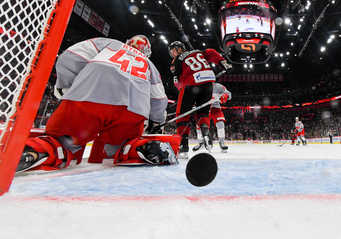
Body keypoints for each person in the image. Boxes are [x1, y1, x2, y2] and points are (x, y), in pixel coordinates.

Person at [16, 35, 176, 173]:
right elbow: (159, 99)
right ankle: (142, 148)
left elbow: (69, 58)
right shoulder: (149, 64)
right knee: (120, 147)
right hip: (131, 111)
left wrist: (67, 85)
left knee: (64, 141)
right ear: (147, 51)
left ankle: (34, 152)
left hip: (90, 98)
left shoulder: (109, 44)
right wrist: (156, 122)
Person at [169, 41, 233, 159]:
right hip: (208, 81)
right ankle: (205, 131)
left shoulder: (176, 60)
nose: (172, 54)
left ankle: (183, 148)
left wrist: (184, 95)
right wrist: (221, 62)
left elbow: (177, 81)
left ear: (179, 49)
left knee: (182, 115)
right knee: (203, 113)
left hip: (190, 83)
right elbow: (210, 52)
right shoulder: (198, 52)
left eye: (173, 51)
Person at [193, 83, 232, 153]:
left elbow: (229, 93)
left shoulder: (219, 86)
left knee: (220, 123)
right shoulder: (200, 86)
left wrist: (225, 95)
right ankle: (201, 143)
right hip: (204, 109)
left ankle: (222, 143)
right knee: (199, 125)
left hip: (215, 108)